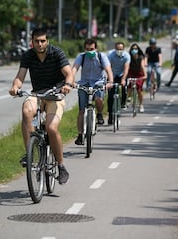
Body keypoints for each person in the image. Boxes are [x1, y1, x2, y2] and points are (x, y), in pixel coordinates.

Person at [9, 28, 73, 185]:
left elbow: (69, 73)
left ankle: (61, 165)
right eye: (36, 41)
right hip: (37, 94)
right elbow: (20, 76)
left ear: (47, 41)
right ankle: (30, 153)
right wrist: (15, 87)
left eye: (43, 41)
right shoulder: (28, 55)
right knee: (26, 111)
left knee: (51, 128)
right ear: (32, 42)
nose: (40, 44)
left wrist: (68, 84)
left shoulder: (56, 53)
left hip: (55, 95)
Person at [72, 38, 113, 145]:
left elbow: (108, 70)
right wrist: (71, 81)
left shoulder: (101, 56)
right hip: (84, 83)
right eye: (87, 49)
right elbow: (74, 69)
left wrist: (110, 81)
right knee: (81, 110)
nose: (89, 51)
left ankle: (99, 114)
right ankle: (80, 135)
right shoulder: (81, 57)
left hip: (98, 82)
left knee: (99, 99)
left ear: (96, 48)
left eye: (92, 49)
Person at [107, 41, 131, 125]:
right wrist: (110, 80)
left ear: (123, 49)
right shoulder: (110, 54)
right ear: (115, 49)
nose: (119, 50)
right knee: (110, 96)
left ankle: (122, 104)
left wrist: (123, 79)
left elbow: (126, 68)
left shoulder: (127, 56)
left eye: (121, 49)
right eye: (117, 49)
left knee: (124, 89)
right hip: (112, 74)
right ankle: (110, 115)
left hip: (121, 74)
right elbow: (108, 67)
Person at [127, 43, 146, 113]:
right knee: (129, 86)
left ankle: (141, 105)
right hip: (131, 73)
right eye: (133, 49)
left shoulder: (141, 57)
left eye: (136, 49)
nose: (134, 50)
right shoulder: (129, 57)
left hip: (139, 74)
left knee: (139, 89)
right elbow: (127, 66)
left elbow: (142, 67)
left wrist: (145, 75)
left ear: (138, 50)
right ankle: (129, 98)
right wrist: (126, 75)